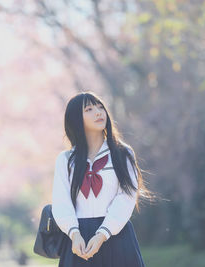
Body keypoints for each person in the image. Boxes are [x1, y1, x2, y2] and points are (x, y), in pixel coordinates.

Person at [52, 92, 153, 267]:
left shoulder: (123, 153)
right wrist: (74, 234)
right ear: (76, 118)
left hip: (116, 236)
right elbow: (61, 202)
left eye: (100, 107)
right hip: (78, 242)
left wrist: (102, 234)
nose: (99, 113)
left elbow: (126, 197)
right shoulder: (66, 160)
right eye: (89, 109)